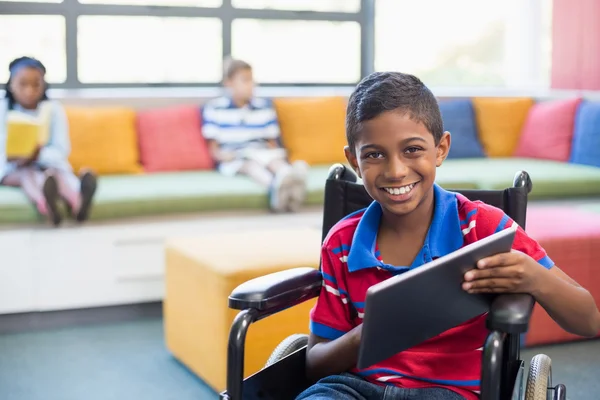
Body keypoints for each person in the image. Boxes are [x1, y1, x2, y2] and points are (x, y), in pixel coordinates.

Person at [297, 72, 600, 400]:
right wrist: (365, 337)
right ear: (354, 160)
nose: (396, 170)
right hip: (354, 388)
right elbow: (315, 365)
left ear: (440, 149)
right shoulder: (342, 242)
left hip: (447, 391)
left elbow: (588, 321)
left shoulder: (482, 228)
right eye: (374, 154)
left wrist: (534, 277)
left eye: (412, 149)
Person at [201, 57, 307, 213]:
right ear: (229, 83)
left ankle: (287, 175)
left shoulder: (263, 107)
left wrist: (277, 156)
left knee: (275, 162)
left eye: (252, 80)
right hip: (236, 156)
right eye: (245, 80)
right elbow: (214, 149)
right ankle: (276, 187)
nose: (251, 85)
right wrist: (224, 156)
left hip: (262, 151)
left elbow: (272, 142)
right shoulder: (215, 109)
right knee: (252, 166)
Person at [0, 56, 97, 226]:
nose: (29, 91)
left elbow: (61, 149)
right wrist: (18, 158)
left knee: (54, 174)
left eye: (36, 84)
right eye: (23, 84)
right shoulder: (2, 109)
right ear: (11, 84)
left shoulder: (53, 110)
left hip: (46, 163)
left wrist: (37, 155)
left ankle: (78, 202)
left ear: (44, 85)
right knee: (27, 175)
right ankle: (46, 204)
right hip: (12, 168)